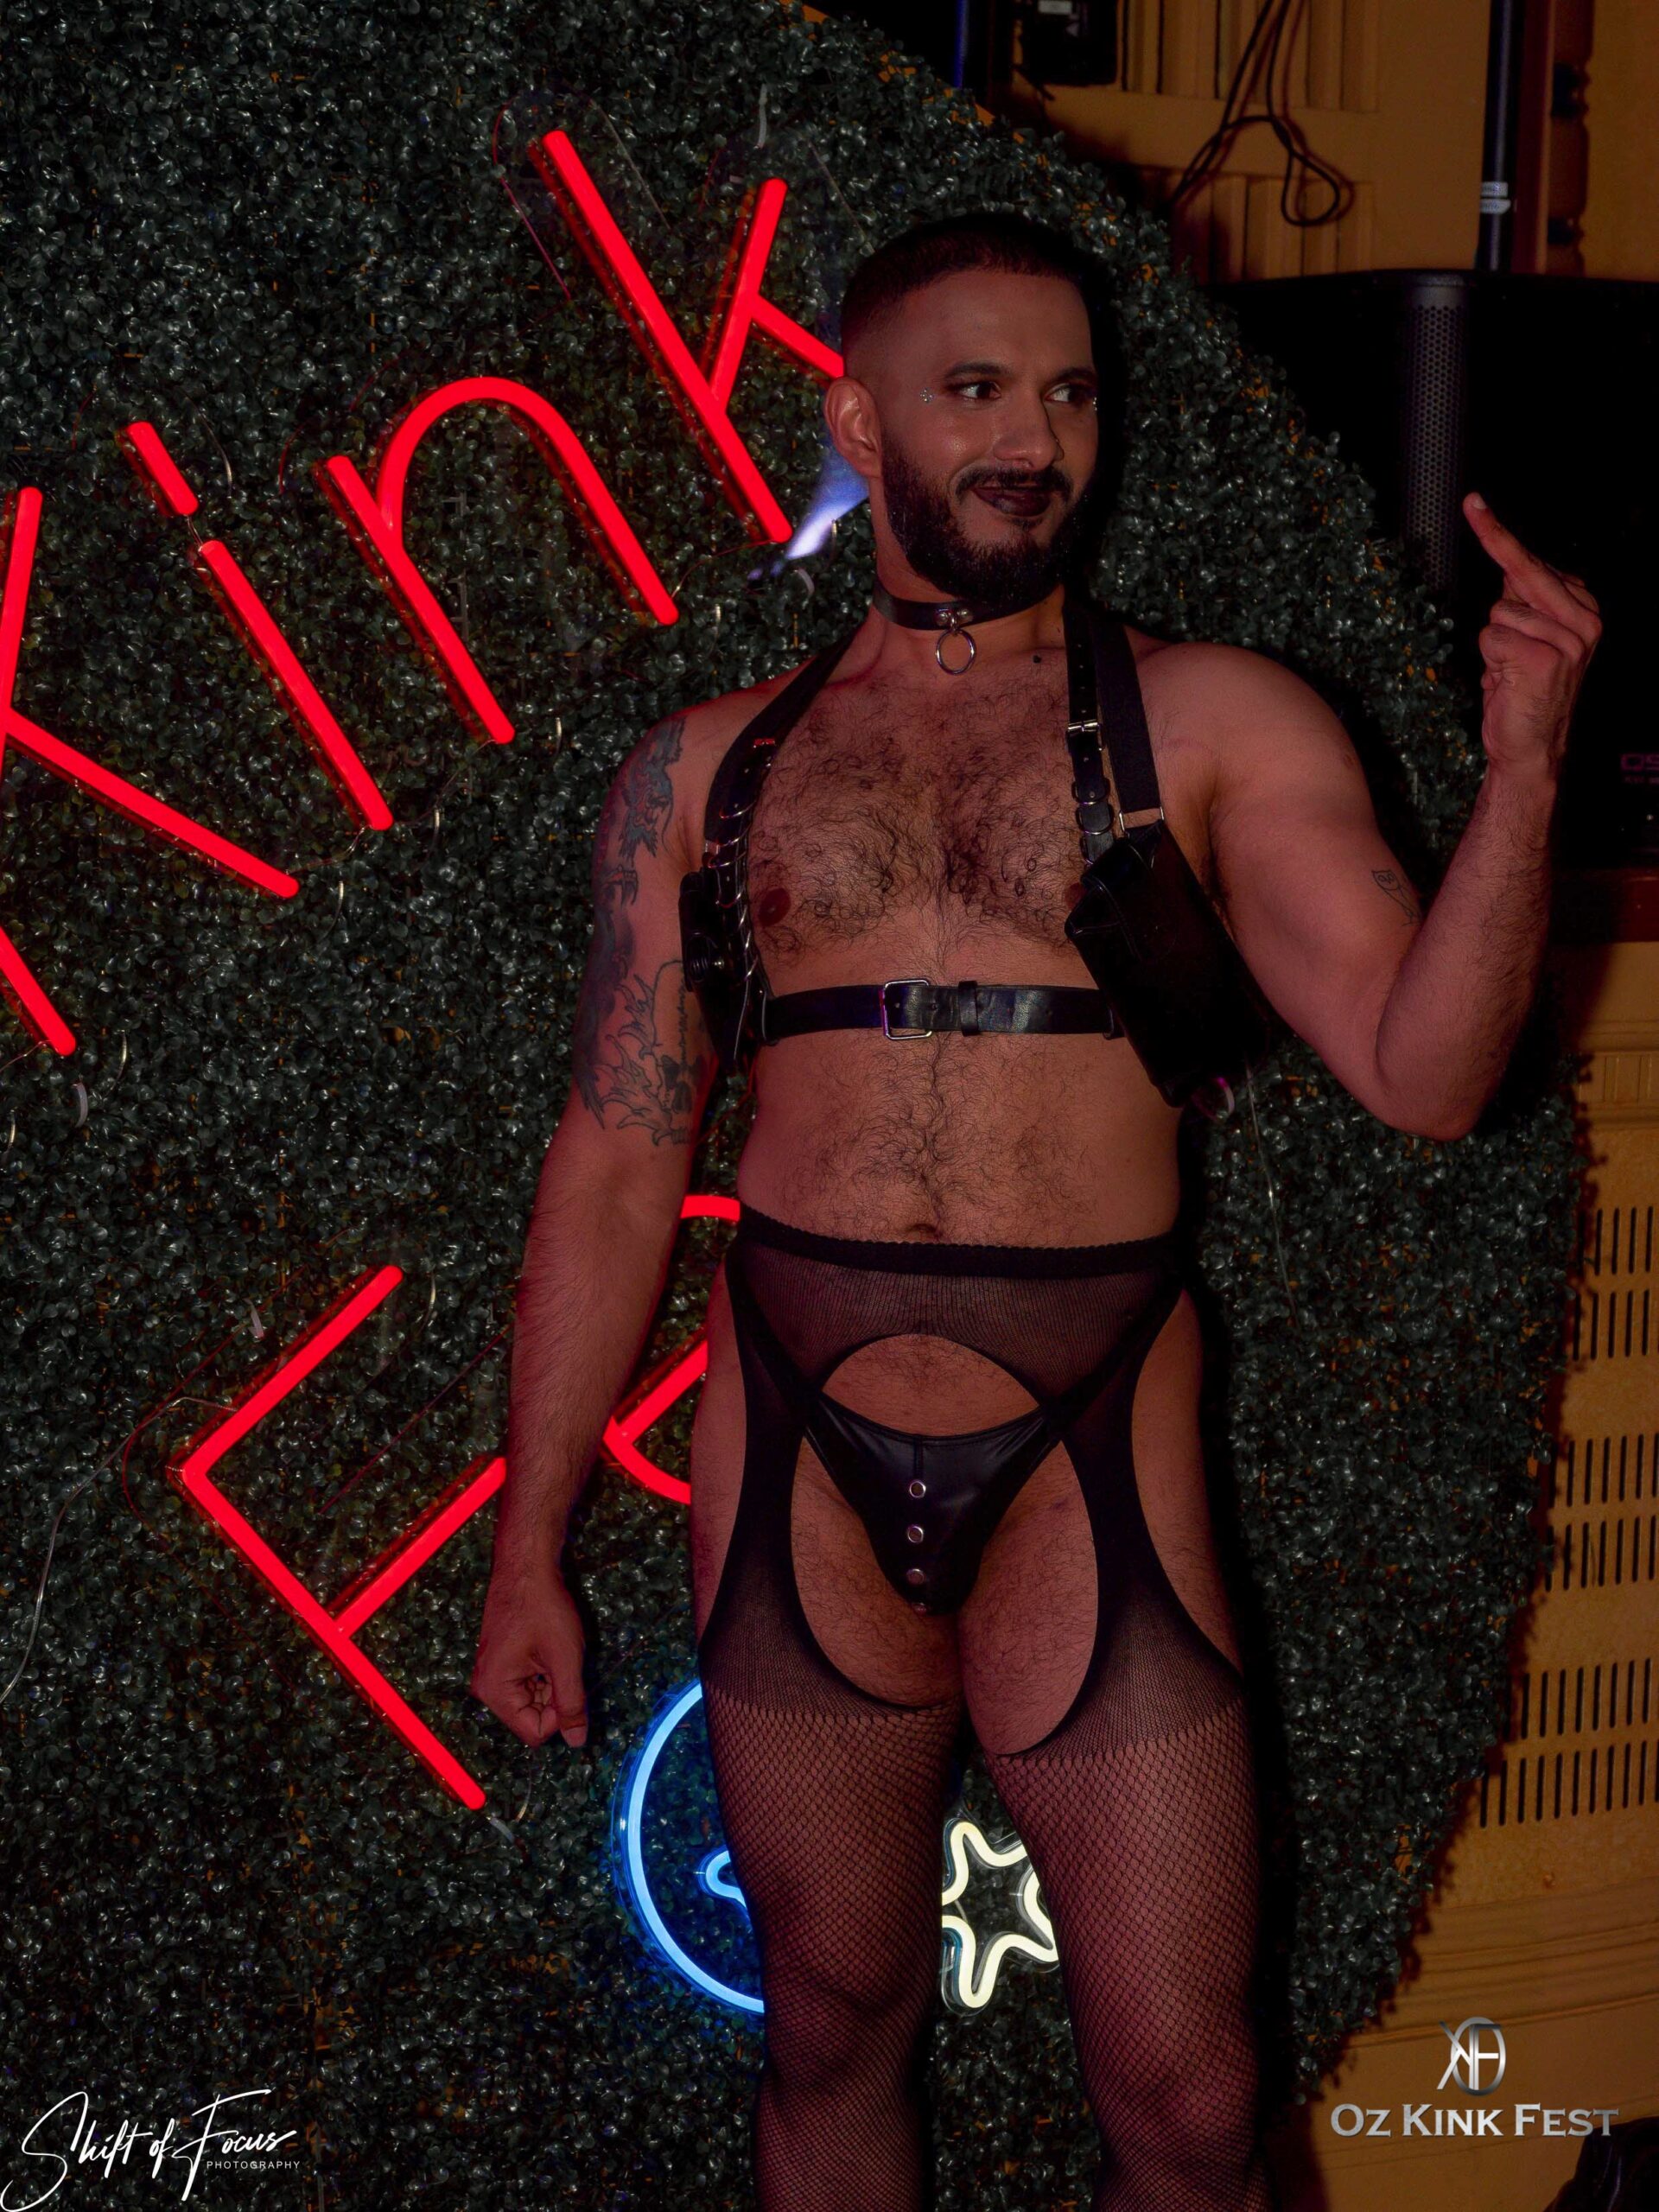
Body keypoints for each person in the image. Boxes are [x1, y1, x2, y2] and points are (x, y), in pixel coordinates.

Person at [470, 213, 1599, 2210]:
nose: (1034, 438)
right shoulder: (706, 772)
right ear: (857, 421)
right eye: (977, 390)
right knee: (829, 2022)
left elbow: (1428, 1075)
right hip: (796, 1443)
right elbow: (618, 1154)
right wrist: (528, 1533)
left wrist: (1521, 777)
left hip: (1089, 1451)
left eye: (1070, 392)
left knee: (1187, 2091)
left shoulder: (1218, 721)